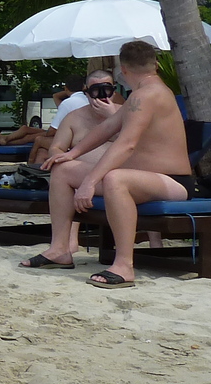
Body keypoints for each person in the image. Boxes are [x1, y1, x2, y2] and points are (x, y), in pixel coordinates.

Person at [25, 40, 193, 287]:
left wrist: (90, 182)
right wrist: (72, 154)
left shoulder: (148, 95)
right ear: (155, 65)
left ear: (122, 70)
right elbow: (107, 128)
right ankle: (60, 249)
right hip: (142, 178)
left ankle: (124, 265)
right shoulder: (141, 94)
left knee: (116, 179)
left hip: (172, 182)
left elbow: (127, 144)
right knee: (63, 170)